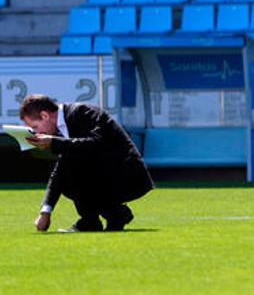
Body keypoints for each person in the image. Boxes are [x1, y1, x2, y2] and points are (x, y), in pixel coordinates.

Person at [20, 94, 154, 232]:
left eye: (35, 127)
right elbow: (60, 171)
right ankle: (107, 216)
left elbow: (96, 144)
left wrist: (54, 142)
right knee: (66, 172)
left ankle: (103, 216)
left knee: (74, 167)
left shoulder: (83, 112)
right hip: (107, 176)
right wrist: (45, 212)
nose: (36, 133)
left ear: (45, 116)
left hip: (129, 177)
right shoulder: (61, 128)